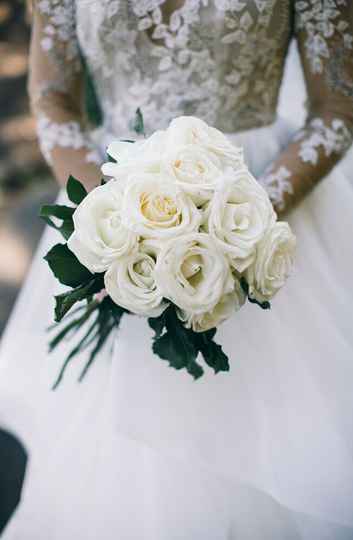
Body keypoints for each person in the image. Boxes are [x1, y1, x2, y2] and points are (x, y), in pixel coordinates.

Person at [1, 1, 353, 538]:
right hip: (110, 205)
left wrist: (238, 221)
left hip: (259, 207)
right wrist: (118, 223)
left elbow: (336, 107)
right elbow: (53, 99)